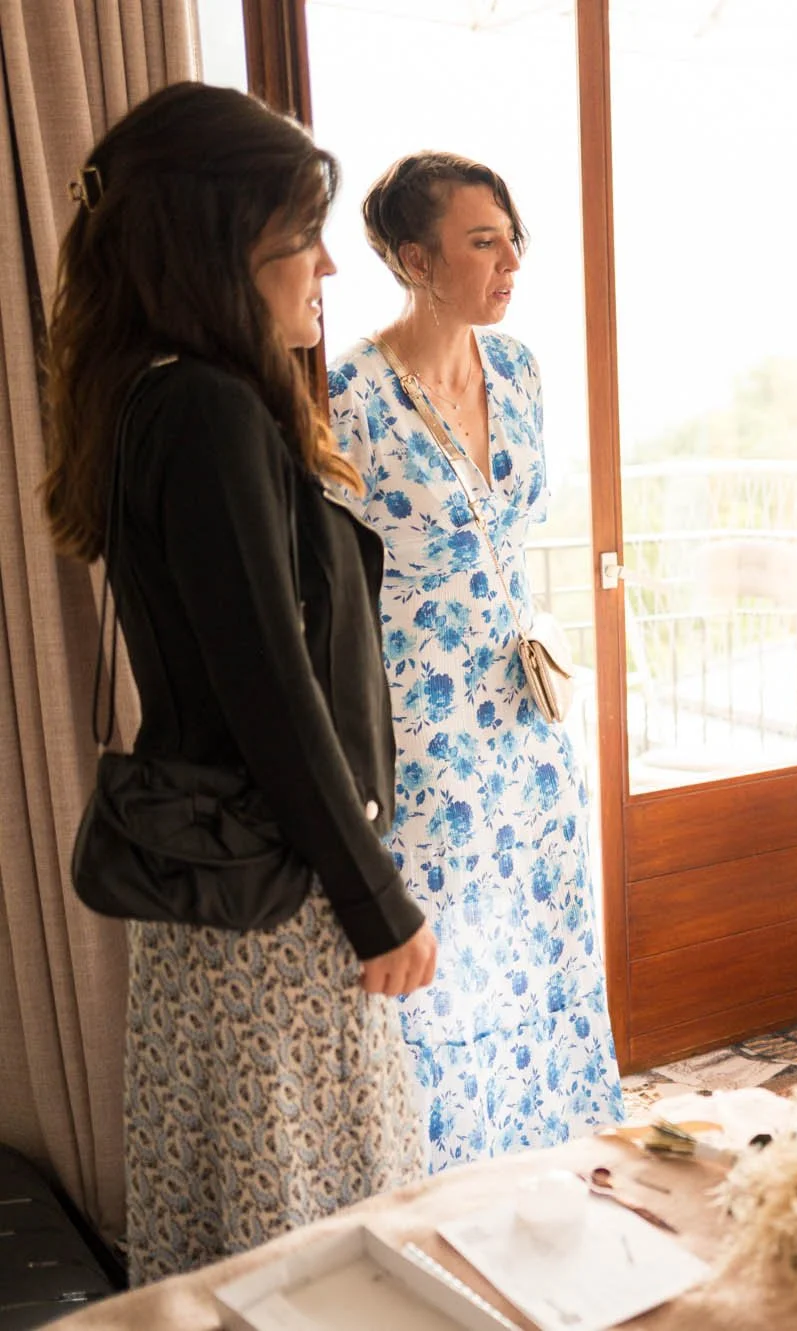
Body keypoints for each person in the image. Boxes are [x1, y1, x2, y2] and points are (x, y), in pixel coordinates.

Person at [40, 83, 435, 1282]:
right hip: (277, 896)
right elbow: (273, 693)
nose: (326, 264)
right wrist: (376, 898)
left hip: (226, 891)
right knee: (309, 1223)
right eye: (298, 237)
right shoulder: (206, 412)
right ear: (221, 251)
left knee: (246, 1209)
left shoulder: (154, 394)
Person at [326, 152, 621, 1171]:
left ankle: (557, 1164)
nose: (510, 261)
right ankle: (448, 1186)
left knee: (546, 942)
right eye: (481, 241)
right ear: (415, 258)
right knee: (447, 968)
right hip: (420, 725)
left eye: (511, 237)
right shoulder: (346, 394)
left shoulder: (520, 370)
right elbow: (330, 590)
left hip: (526, 718)